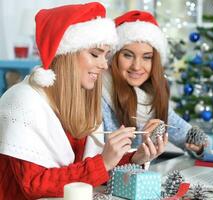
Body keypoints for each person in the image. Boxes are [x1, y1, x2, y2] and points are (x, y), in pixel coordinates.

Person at [0, 3, 167, 199]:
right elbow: (34, 185)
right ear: (67, 55)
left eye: (106, 56)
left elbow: (85, 172)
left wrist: (134, 157)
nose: (104, 65)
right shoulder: (23, 101)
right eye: (95, 54)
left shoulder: (82, 101)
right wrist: (103, 162)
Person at [102, 10, 207, 157]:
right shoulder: (99, 95)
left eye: (147, 57)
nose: (137, 66)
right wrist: (140, 154)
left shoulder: (150, 97)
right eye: (127, 55)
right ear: (113, 56)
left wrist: (200, 147)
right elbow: (96, 162)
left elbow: (198, 142)